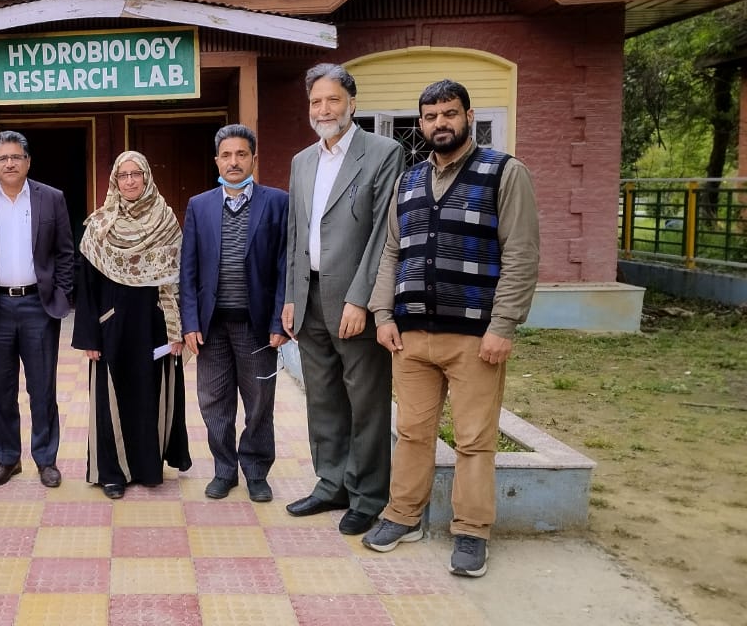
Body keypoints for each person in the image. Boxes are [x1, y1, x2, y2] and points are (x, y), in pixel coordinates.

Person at [362, 79, 540, 578]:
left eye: (449, 113)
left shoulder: (504, 172)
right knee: (412, 432)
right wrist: (382, 314)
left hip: (476, 337)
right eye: (431, 116)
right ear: (420, 124)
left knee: (473, 439)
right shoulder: (410, 180)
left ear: (468, 115)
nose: (440, 123)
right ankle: (403, 515)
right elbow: (392, 252)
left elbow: (522, 253)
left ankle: (471, 532)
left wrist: (504, 324)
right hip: (412, 333)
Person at [282, 63, 402, 536]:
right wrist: (292, 297)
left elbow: (382, 235)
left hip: (354, 302)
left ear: (352, 102)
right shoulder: (302, 161)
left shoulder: (382, 152)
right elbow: (296, 234)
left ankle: (368, 495)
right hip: (308, 298)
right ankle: (330, 482)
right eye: (316, 101)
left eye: (333, 100)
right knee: (324, 398)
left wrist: (362, 300)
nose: (324, 109)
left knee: (366, 400)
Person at [72, 150, 191, 499]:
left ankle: (146, 467)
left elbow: (176, 280)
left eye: (136, 173)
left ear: (147, 176)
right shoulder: (99, 225)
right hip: (112, 327)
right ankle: (112, 473)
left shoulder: (166, 221)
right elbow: (86, 286)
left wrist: (177, 329)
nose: (129, 181)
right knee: (111, 400)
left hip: (154, 326)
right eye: (122, 175)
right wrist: (89, 335)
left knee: (148, 397)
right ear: (114, 181)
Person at [179, 124, 289, 503]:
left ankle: (256, 471)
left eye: (242, 154)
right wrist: (189, 322)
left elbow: (284, 265)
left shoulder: (277, 202)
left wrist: (279, 321)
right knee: (214, 401)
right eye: (226, 155)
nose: (234, 161)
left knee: (260, 402)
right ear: (216, 160)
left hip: (256, 325)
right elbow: (187, 270)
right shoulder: (200, 204)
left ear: (254, 159)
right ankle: (224, 470)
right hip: (211, 326)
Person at [0, 131, 76, 489]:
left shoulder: (51, 198)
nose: (10, 163)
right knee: (1, 389)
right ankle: (7, 458)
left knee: (42, 388)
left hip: (38, 305)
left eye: (16, 157)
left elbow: (66, 252)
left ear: (28, 161)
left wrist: (61, 296)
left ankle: (46, 459)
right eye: (2, 158)